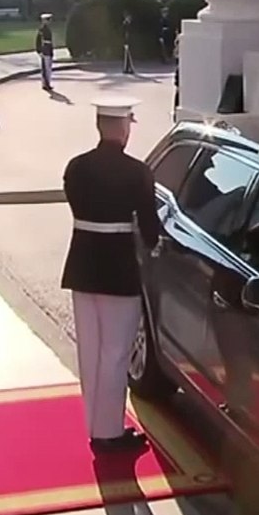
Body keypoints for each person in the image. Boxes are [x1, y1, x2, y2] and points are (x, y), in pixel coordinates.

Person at [61, 97, 162, 453]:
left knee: (90, 350)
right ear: (123, 128)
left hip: (82, 267)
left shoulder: (76, 167)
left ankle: (95, 423)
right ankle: (108, 433)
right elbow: (150, 228)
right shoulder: (137, 172)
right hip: (118, 270)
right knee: (116, 354)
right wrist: (153, 244)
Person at [35, 13, 54, 91]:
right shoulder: (42, 30)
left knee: (48, 68)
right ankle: (45, 84)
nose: (49, 21)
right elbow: (39, 41)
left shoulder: (47, 29)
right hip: (45, 50)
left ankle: (47, 83)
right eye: (48, 20)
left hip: (48, 49)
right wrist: (40, 51)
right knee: (45, 68)